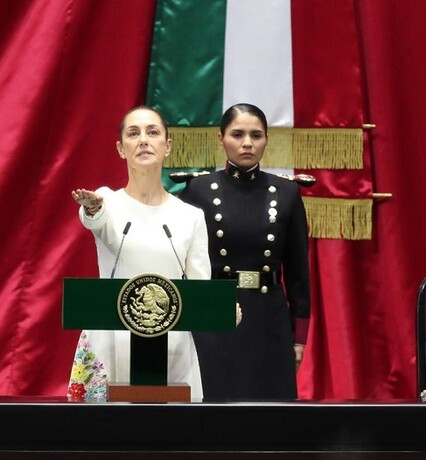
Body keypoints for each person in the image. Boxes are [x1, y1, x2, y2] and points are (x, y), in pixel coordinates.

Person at [68, 106, 215, 402]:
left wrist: (221, 308)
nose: (144, 140)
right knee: (98, 440)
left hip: (169, 347)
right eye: (133, 134)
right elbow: (93, 218)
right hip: (109, 341)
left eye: (153, 132)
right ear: (122, 149)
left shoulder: (191, 217)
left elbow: (200, 290)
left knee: (172, 440)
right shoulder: (106, 200)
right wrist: (93, 208)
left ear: (167, 146)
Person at [179, 103, 310, 400]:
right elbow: (183, 265)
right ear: (220, 138)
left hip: (268, 317)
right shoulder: (198, 190)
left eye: (256, 135)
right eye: (237, 134)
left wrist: (298, 338)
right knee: (214, 408)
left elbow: (299, 273)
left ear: (267, 139)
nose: (247, 143)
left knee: (270, 414)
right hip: (214, 313)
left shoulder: (286, 193)